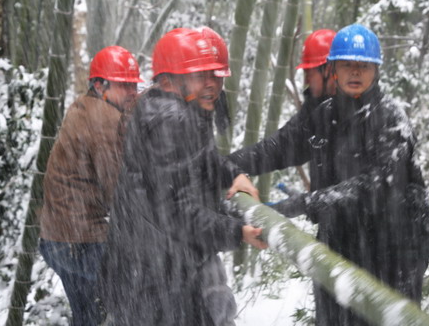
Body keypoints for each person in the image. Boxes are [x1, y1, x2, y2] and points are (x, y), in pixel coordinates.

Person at [234, 24, 429, 325]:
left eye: (363, 66)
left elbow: (378, 184)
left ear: (376, 70)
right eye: (347, 65)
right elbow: (275, 149)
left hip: (393, 248)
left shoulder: (391, 118)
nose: (355, 72)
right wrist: (224, 168)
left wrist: (304, 203)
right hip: (339, 239)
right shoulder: (324, 115)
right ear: (334, 70)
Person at [99, 27, 267, 326]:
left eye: (216, 76)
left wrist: (233, 175)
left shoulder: (176, 110)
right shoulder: (170, 120)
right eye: (201, 76)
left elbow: (202, 159)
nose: (212, 85)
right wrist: (234, 231)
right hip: (154, 278)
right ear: (169, 79)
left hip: (155, 270)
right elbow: (174, 209)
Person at [39, 46, 143, 326]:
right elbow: (118, 192)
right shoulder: (104, 121)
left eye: (134, 84)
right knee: (131, 304)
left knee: (88, 315)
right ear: (100, 85)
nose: (132, 91)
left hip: (58, 239)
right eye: (125, 85)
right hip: (81, 242)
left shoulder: (85, 107)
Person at [227, 29, 336, 196]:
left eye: (310, 72)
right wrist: (225, 166)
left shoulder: (359, 114)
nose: (306, 80)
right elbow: (275, 148)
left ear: (328, 70)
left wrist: (288, 207)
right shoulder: (316, 112)